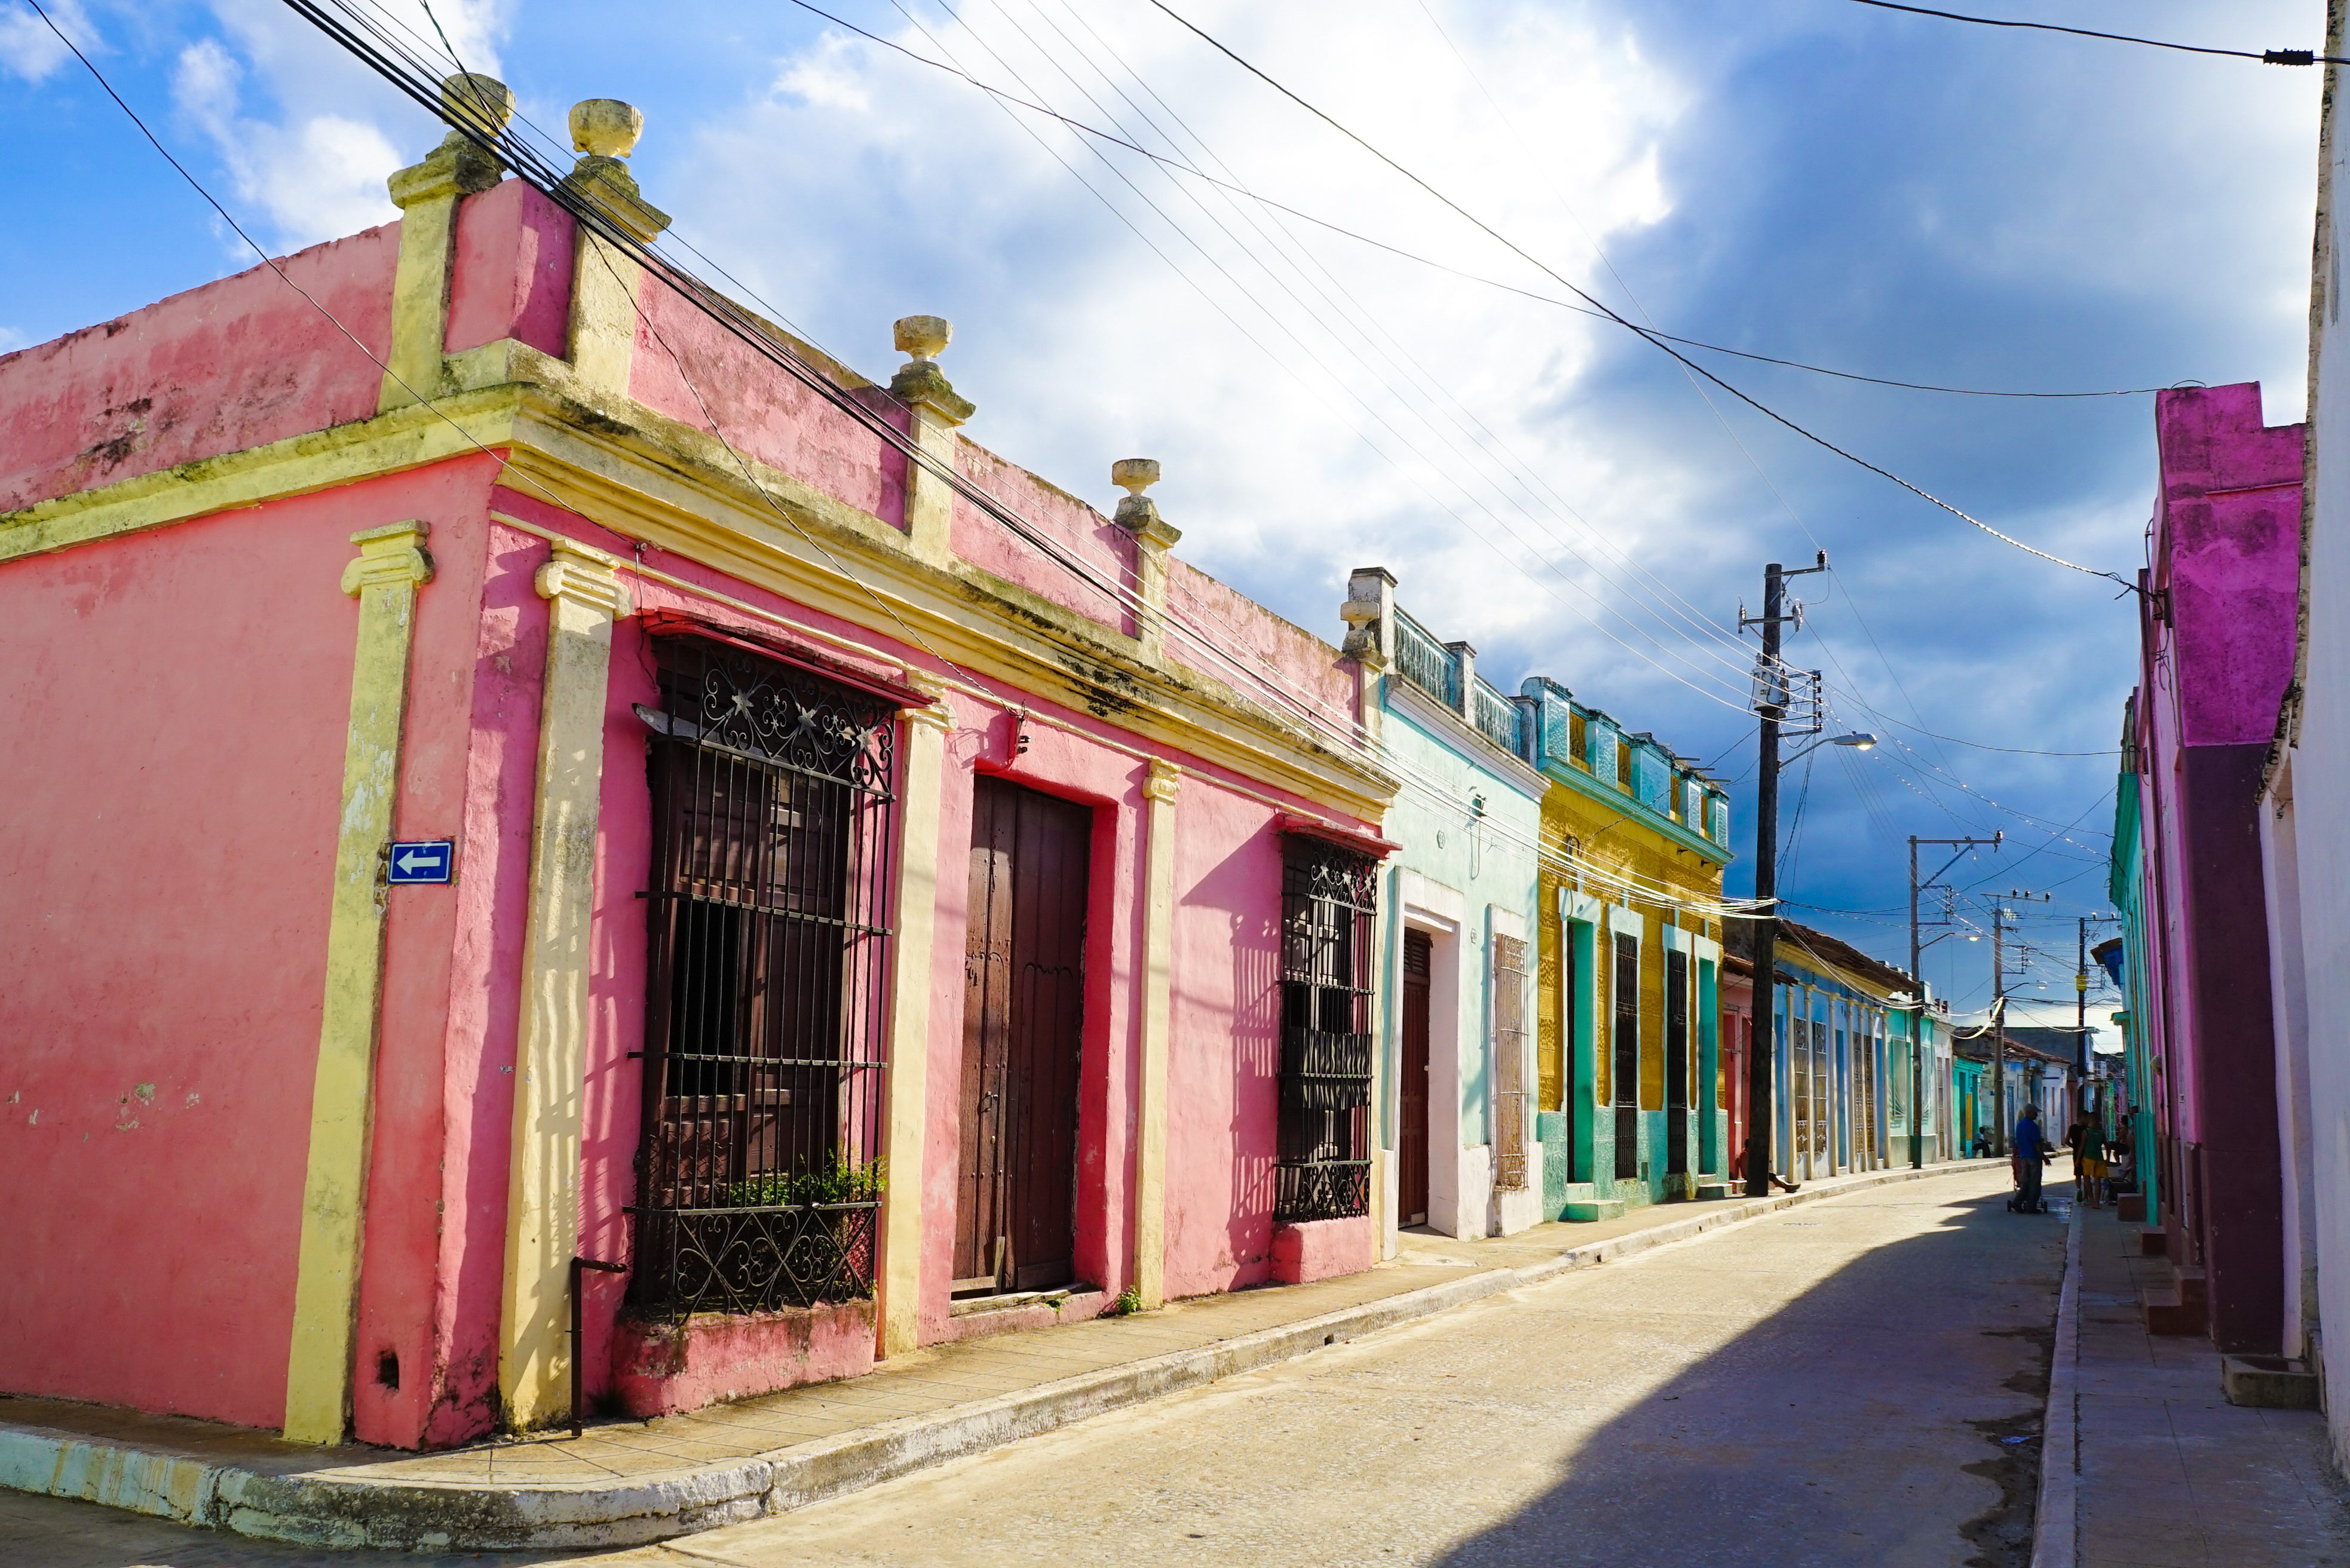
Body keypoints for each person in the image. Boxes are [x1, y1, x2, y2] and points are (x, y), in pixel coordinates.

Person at [2013, 1102, 2048, 1212]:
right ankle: (2031, 1206)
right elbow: (2037, 1144)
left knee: (2025, 1182)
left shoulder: (2020, 1125)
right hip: (2034, 1157)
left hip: (2023, 1157)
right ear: (2028, 1113)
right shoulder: (2032, 1126)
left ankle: (2017, 1202)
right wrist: (2044, 1157)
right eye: (2035, 1113)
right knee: (2035, 1183)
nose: (2036, 1115)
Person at [2076, 1119, 2107, 1208]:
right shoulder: (2101, 1133)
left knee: (2087, 1178)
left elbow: (2082, 1146)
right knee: (2097, 1180)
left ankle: (2092, 1199)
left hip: (2088, 1158)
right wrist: (2108, 1159)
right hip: (2099, 1158)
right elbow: (2107, 1145)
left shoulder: (2086, 1132)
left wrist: (2078, 1159)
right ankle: (2097, 1202)